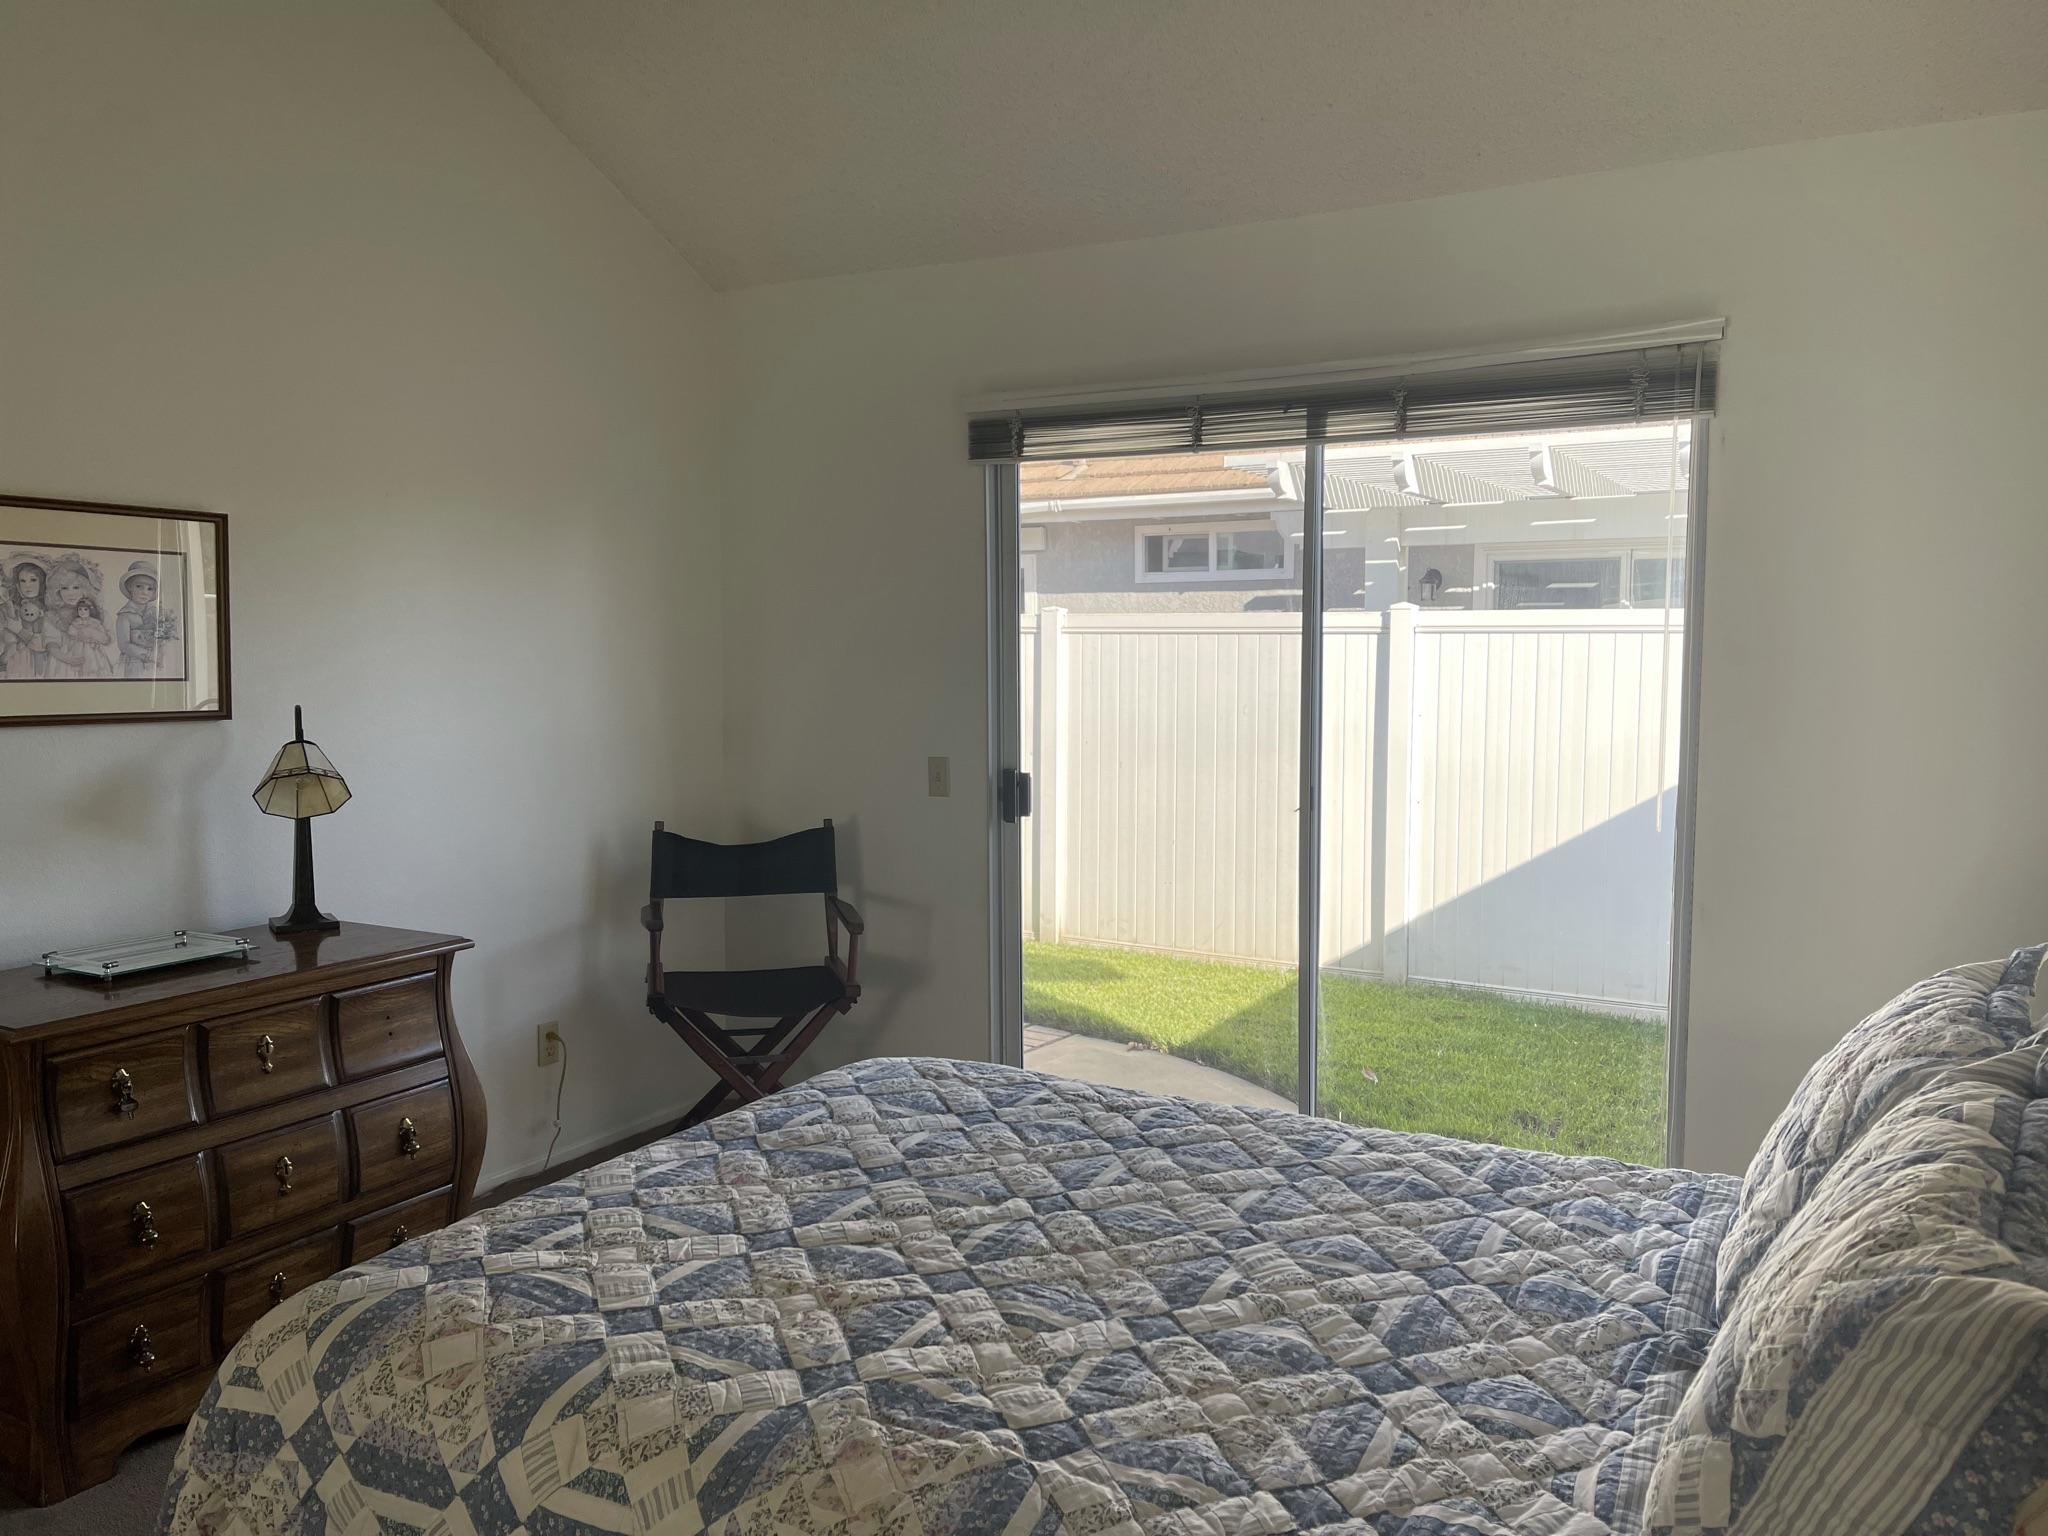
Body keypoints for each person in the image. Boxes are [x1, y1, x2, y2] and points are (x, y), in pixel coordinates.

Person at [43, 555, 115, 679]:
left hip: (93, 662)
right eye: (64, 588)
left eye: (76, 587)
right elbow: (51, 644)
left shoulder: (98, 614)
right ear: (57, 591)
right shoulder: (53, 616)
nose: (70, 593)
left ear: (85, 589)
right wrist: (67, 659)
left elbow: (109, 639)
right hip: (64, 663)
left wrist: (93, 633)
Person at [1, 558, 53, 679]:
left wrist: (18, 630)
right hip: (14, 663)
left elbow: (43, 645)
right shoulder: (10, 608)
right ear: (18, 585)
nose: (27, 586)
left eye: (33, 580)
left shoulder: (48, 611)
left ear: (42, 582)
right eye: (23, 581)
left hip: (39, 665)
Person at [116, 560, 162, 678]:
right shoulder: (125, 615)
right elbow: (124, 645)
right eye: (139, 586)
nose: (144, 592)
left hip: (156, 663)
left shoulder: (156, 613)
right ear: (130, 588)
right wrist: (148, 655)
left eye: (149, 589)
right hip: (134, 664)